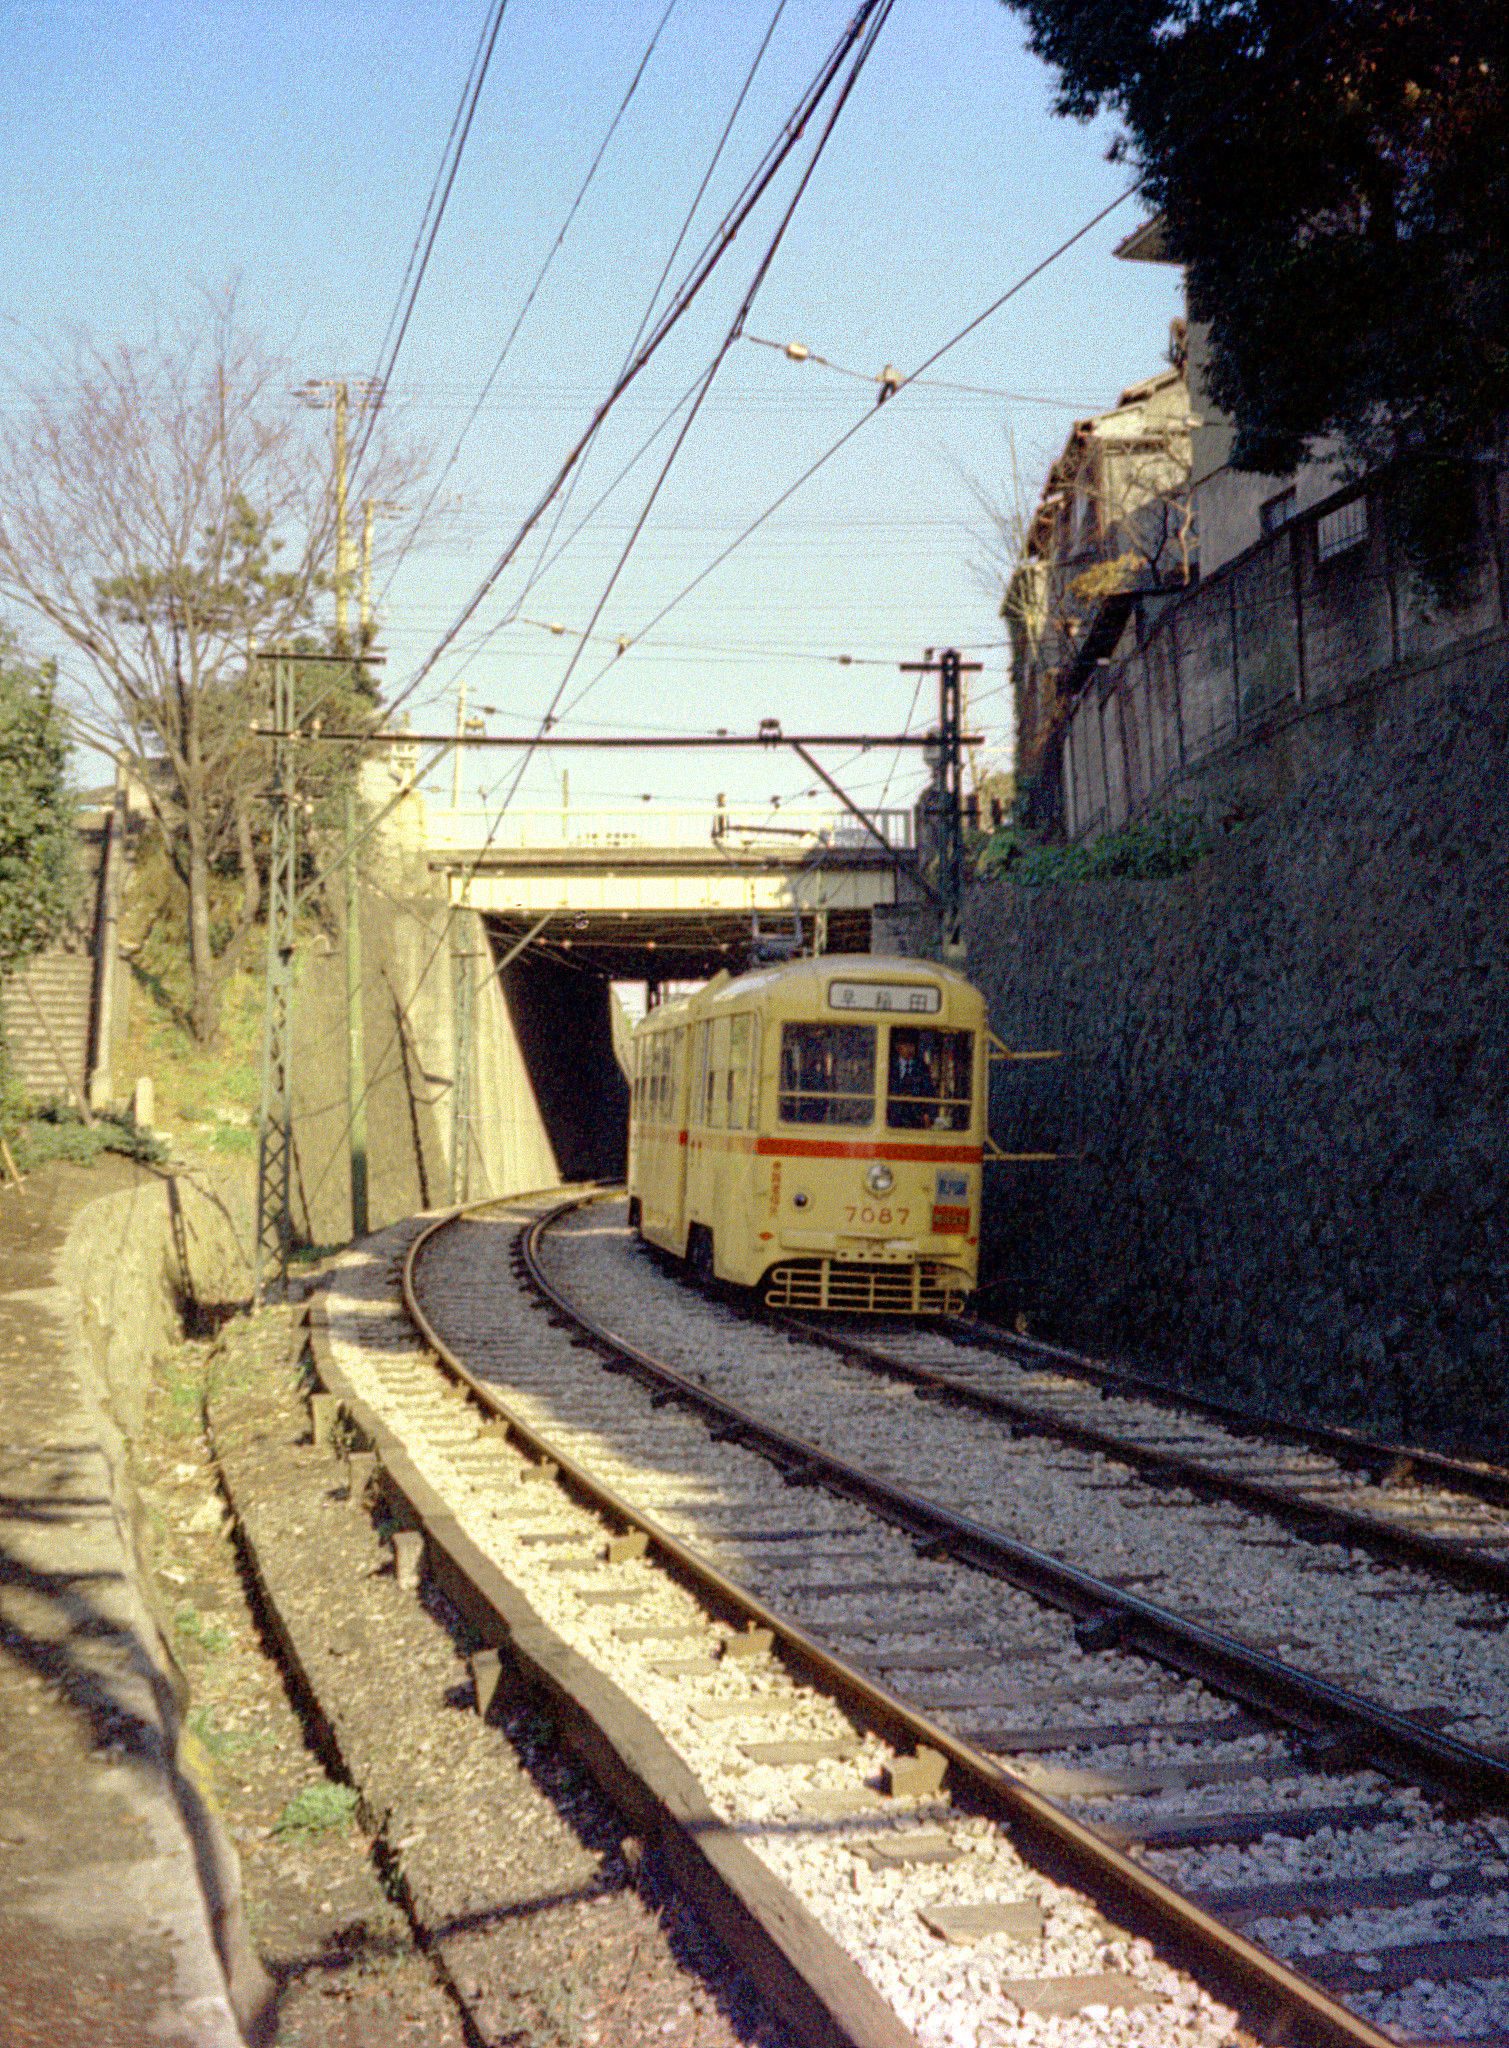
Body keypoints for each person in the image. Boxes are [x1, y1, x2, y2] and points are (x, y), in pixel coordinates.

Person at [888, 1030, 936, 1129]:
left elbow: (930, 1093)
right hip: (892, 1120)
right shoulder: (889, 1067)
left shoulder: (922, 1068)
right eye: (905, 1045)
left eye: (912, 1045)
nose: (909, 1049)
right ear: (898, 1047)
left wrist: (928, 1116)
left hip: (916, 1121)